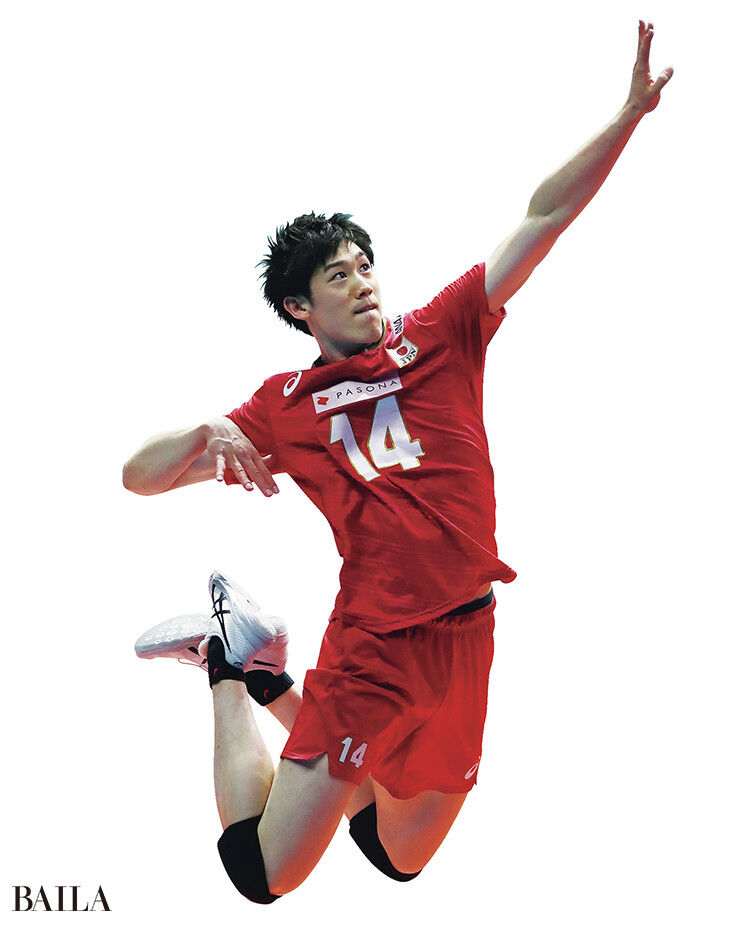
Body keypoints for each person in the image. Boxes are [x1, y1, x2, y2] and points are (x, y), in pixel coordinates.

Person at [123, 21, 672, 903]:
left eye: (365, 264)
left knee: (394, 851)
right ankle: (227, 666)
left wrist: (628, 115)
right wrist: (207, 431)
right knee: (265, 874)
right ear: (300, 308)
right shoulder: (286, 405)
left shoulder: (442, 332)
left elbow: (543, 215)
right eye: (338, 276)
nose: (364, 281)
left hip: (468, 632)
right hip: (373, 648)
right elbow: (139, 476)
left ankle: (268, 676)